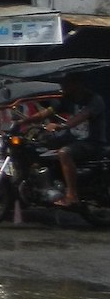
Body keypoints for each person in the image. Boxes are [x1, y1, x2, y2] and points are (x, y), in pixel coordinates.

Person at [47, 73, 106, 207]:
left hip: (92, 143)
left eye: (67, 84)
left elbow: (82, 116)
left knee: (64, 153)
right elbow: (48, 112)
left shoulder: (95, 100)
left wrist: (62, 126)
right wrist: (25, 120)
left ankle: (72, 195)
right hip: (75, 141)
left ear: (77, 84)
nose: (64, 87)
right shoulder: (68, 99)